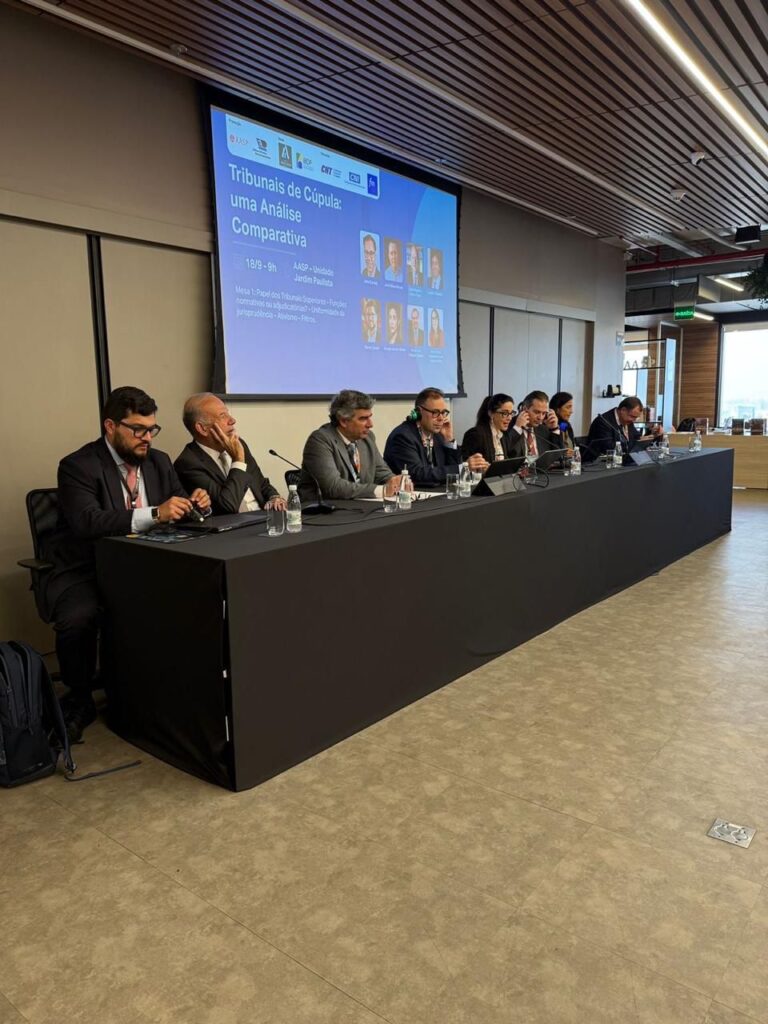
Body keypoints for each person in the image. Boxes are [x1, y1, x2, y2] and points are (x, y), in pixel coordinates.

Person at [52, 386, 211, 741]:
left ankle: (168, 689)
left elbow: (177, 505)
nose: (147, 438)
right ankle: (79, 698)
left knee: (195, 595)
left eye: (152, 429)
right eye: (138, 430)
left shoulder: (159, 461)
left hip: (145, 565)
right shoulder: (78, 466)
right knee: (78, 617)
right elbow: (87, 522)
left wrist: (196, 504)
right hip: (87, 568)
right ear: (110, 426)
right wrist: (155, 513)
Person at [174, 393, 285, 514]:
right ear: (202, 428)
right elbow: (227, 506)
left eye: (228, 413)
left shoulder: (238, 443)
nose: (232, 420)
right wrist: (238, 460)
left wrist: (274, 497)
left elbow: (261, 483)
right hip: (238, 523)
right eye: (222, 416)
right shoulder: (188, 463)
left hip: (263, 516)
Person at [299, 390, 401, 501]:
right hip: (324, 508)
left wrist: (396, 482)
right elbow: (333, 487)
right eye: (363, 419)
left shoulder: (367, 438)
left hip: (359, 506)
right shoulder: (320, 440)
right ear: (343, 421)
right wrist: (381, 490)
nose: (370, 424)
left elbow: (382, 473)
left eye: (370, 417)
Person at [384, 387, 489, 487]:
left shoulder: (438, 435)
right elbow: (417, 474)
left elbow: (451, 471)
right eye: (435, 412)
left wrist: (449, 440)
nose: (441, 418)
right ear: (419, 412)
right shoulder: (402, 437)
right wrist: (463, 468)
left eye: (443, 413)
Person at [585, 395, 664, 460]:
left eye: (636, 418)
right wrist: (634, 442)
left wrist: (652, 434)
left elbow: (636, 438)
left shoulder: (627, 421)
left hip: (622, 461)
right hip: (600, 463)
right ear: (623, 410)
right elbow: (609, 448)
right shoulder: (603, 422)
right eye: (632, 416)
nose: (633, 420)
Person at [461, 394, 525, 463]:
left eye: (511, 413)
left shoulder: (502, 435)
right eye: (504, 413)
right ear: (491, 413)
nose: (509, 418)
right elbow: (466, 464)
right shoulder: (475, 434)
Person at [511, 390, 564, 459]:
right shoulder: (510, 427)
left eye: (544, 413)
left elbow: (559, 457)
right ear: (524, 409)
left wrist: (554, 429)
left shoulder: (543, 429)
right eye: (537, 412)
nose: (540, 417)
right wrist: (518, 429)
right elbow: (510, 454)